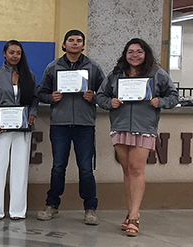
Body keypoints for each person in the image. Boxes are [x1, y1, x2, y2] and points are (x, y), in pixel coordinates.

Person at [97, 38, 178, 236]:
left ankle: (134, 217)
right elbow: (100, 96)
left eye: (139, 51)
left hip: (144, 127)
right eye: (131, 51)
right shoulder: (116, 75)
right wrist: (110, 102)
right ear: (125, 54)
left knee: (136, 168)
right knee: (126, 170)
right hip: (120, 127)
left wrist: (160, 101)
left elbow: (173, 97)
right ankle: (129, 212)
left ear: (146, 54)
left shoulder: (157, 74)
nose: (135, 55)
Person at [36, 30, 106, 225]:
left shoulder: (93, 67)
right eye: (71, 40)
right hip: (60, 125)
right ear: (64, 44)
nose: (75, 43)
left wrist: (94, 98)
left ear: (83, 45)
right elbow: (41, 94)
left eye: (79, 41)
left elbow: (106, 93)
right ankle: (52, 205)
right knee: (58, 167)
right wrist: (51, 98)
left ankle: (90, 208)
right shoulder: (53, 67)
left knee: (86, 169)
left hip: (85, 125)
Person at [0, 40, 38, 220]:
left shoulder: (28, 75)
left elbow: (34, 99)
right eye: (11, 52)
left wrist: (32, 114)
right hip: (1, 129)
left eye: (18, 53)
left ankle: (17, 211)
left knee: (20, 169)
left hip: (23, 129)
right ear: (4, 54)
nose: (15, 56)